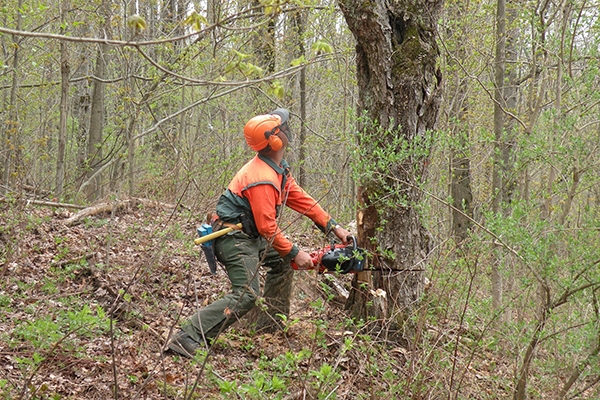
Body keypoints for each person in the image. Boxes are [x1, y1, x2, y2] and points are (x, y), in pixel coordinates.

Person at [167, 108, 352, 357]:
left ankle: (269, 328)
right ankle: (187, 335)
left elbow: (303, 201)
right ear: (274, 139)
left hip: (250, 235)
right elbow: (267, 227)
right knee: (247, 294)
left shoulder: (277, 169)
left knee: (284, 264)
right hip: (232, 236)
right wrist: (296, 252)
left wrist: (334, 227)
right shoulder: (262, 178)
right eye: (283, 128)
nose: (288, 130)